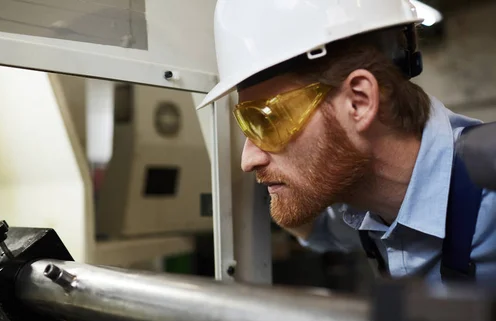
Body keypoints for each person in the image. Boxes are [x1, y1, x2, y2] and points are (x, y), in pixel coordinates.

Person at [197, 0, 496, 285]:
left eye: (269, 120)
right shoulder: (367, 207)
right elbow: (321, 231)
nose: (247, 160)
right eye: (249, 126)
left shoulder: (489, 199)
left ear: (359, 102)